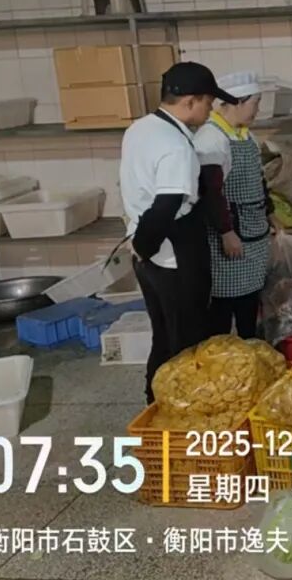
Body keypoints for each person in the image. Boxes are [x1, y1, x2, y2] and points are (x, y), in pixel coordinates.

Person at [119, 61, 237, 402]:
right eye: (208, 103)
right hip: (170, 251)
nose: (211, 110)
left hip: (146, 248)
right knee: (186, 340)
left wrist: (140, 248)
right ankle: (180, 410)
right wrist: (146, 246)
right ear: (190, 101)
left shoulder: (140, 128)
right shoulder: (176, 146)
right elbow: (166, 206)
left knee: (163, 334)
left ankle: (154, 402)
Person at [194, 71, 278, 340]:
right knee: (226, 304)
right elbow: (210, 192)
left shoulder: (245, 135)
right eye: (255, 103)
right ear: (238, 102)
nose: (257, 110)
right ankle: (223, 356)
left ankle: (250, 350)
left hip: (252, 233)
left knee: (249, 300)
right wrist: (226, 232)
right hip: (230, 236)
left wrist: (270, 215)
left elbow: (258, 180)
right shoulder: (211, 138)